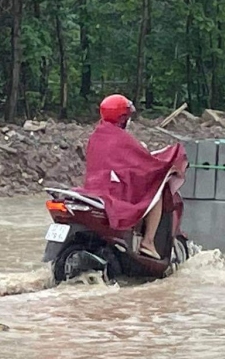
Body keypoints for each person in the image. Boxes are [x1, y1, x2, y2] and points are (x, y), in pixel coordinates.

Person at [79, 94, 187, 261]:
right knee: (155, 193)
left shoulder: (97, 135)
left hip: (93, 188)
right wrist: (167, 161)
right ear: (123, 117)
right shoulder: (121, 138)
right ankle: (148, 242)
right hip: (115, 190)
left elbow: (118, 164)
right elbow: (144, 163)